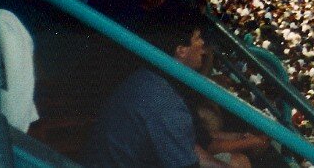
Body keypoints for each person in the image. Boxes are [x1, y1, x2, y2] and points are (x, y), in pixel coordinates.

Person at [83, 18, 234, 168]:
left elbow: (186, 147)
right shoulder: (167, 101)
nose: (203, 45)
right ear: (181, 50)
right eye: (197, 39)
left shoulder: (149, 76)